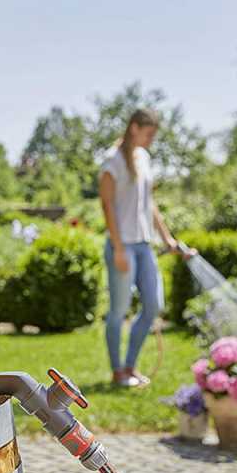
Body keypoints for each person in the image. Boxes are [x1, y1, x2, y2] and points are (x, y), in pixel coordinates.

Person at [99, 108, 193, 388]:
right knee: (119, 310)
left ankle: (131, 366)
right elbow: (107, 205)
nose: (152, 139)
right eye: (149, 133)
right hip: (122, 245)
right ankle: (118, 372)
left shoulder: (144, 158)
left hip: (144, 244)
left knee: (153, 306)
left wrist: (167, 239)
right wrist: (117, 248)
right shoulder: (112, 161)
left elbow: (149, 203)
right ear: (134, 128)